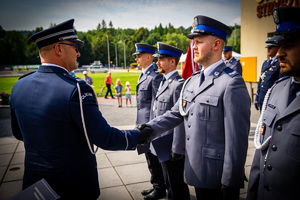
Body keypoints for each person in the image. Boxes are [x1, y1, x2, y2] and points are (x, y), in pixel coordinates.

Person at [9, 19, 152, 200]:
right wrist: (139, 136)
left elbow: (19, 133)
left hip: (34, 183)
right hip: (70, 186)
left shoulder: (20, 85)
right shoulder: (75, 89)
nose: (78, 53)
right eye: (74, 47)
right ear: (59, 49)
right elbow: (104, 137)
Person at [135, 15, 251, 200]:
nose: (193, 47)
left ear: (216, 45)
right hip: (195, 169)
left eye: (198, 42)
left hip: (217, 175)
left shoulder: (231, 83)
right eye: (193, 42)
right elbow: (176, 112)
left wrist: (230, 182)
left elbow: (236, 141)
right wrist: (150, 128)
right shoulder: (192, 81)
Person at [247, 6, 300, 200]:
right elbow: (261, 153)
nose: (278, 53)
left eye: (289, 45)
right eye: (279, 45)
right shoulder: (277, 89)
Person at [150, 42, 190, 200]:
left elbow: (179, 118)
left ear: (172, 62)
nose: (157, 62)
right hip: (162, 141)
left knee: (176, 185)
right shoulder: (163, 81)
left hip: (171, 144)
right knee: (168, 182)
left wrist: (177, 148)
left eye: (161, 59)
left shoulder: (178, 85)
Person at [132, 43, 165, 199]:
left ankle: (160, 188)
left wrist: (152, 127)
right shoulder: (144, 74)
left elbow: (156, 105)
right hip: (142, 124)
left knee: (154, 157)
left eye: (139, 55)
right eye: (136, 56)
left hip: (150, 126)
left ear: (148, 57)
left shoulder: (155, 76)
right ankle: (155, 184)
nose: (136, 58)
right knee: (148, 157)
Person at [254, 38, 281, 111]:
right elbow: (261, 81)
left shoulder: (279, 63)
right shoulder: (265, 63)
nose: (268, 50)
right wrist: (257, 98)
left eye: (270, 48)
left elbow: (280, 84)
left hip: (271, 99)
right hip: (262, 98)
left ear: (277, 49)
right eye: (267, 48)